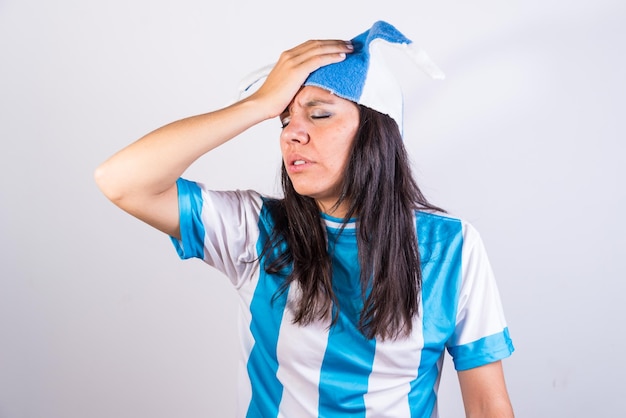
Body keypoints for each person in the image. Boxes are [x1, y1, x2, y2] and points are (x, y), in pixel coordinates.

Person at [95, 20, 515, 418]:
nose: (292, 132)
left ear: (377, 133)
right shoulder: (253, 230)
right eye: (284, 118)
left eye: (319, 114)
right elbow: (121, 181)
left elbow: (487, 406)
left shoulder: (452, 247)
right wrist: (257, 104)